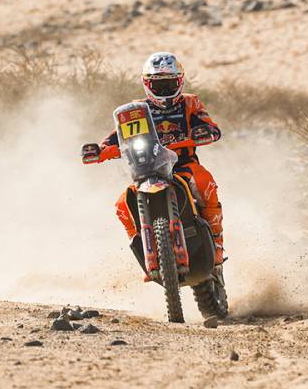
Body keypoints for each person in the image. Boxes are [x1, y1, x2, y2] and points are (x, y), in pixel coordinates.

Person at [81, 51, 225, 264]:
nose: (165, 90)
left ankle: (217, 242)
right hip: (147, 170)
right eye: (159, 85)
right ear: (147, 85)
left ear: (180, 82)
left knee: (205, 183)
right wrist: (100, 150)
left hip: (183, 166)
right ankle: (141, 249)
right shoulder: (137, 111)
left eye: (169, 84)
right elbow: (116, 137)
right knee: (122, 205)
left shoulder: (190, 104)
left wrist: (205, 132)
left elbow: (211, 126)